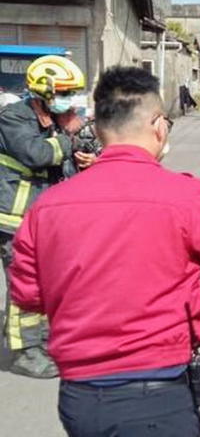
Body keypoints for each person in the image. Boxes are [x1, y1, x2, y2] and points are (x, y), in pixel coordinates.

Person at [9, 66, 200, 436]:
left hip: (79, 399)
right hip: (157, 394)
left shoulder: (46, 208)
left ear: (101, 129)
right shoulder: (185, 197)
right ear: (158, 125)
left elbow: (28, 295)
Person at [0, 54, 94, 378]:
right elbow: (37, 154)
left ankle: (38, 341)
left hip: (40, 221)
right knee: (24, 287)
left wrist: (82, 162)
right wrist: (67, 139)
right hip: (13, 219)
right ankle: (24, 354)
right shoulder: (14, 118)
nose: (70, 101)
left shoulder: (52, 122)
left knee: (44, 284)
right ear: (44, 92)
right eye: (64, 93)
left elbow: (59, 167)